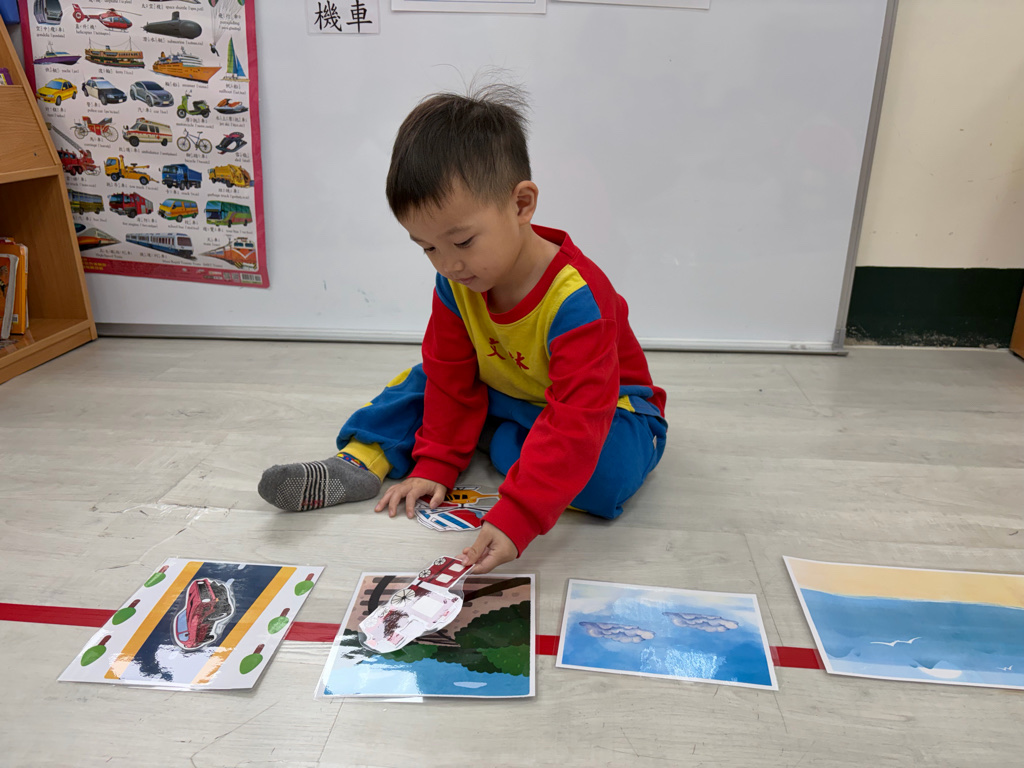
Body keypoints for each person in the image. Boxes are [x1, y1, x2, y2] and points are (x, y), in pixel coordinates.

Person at [259, 82, 667, 574]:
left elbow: (579, 417)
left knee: (606, 476)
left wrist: (519, 513)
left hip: (606, 408)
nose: (447, 264)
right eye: (428, 248)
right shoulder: (456, 283)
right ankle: (361, 460)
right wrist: (435, 465)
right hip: (504, 390)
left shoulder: (579, 301)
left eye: (463, 242)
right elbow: (451, 377)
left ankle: (498, 439)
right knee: (424, 382)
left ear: (521, 205)